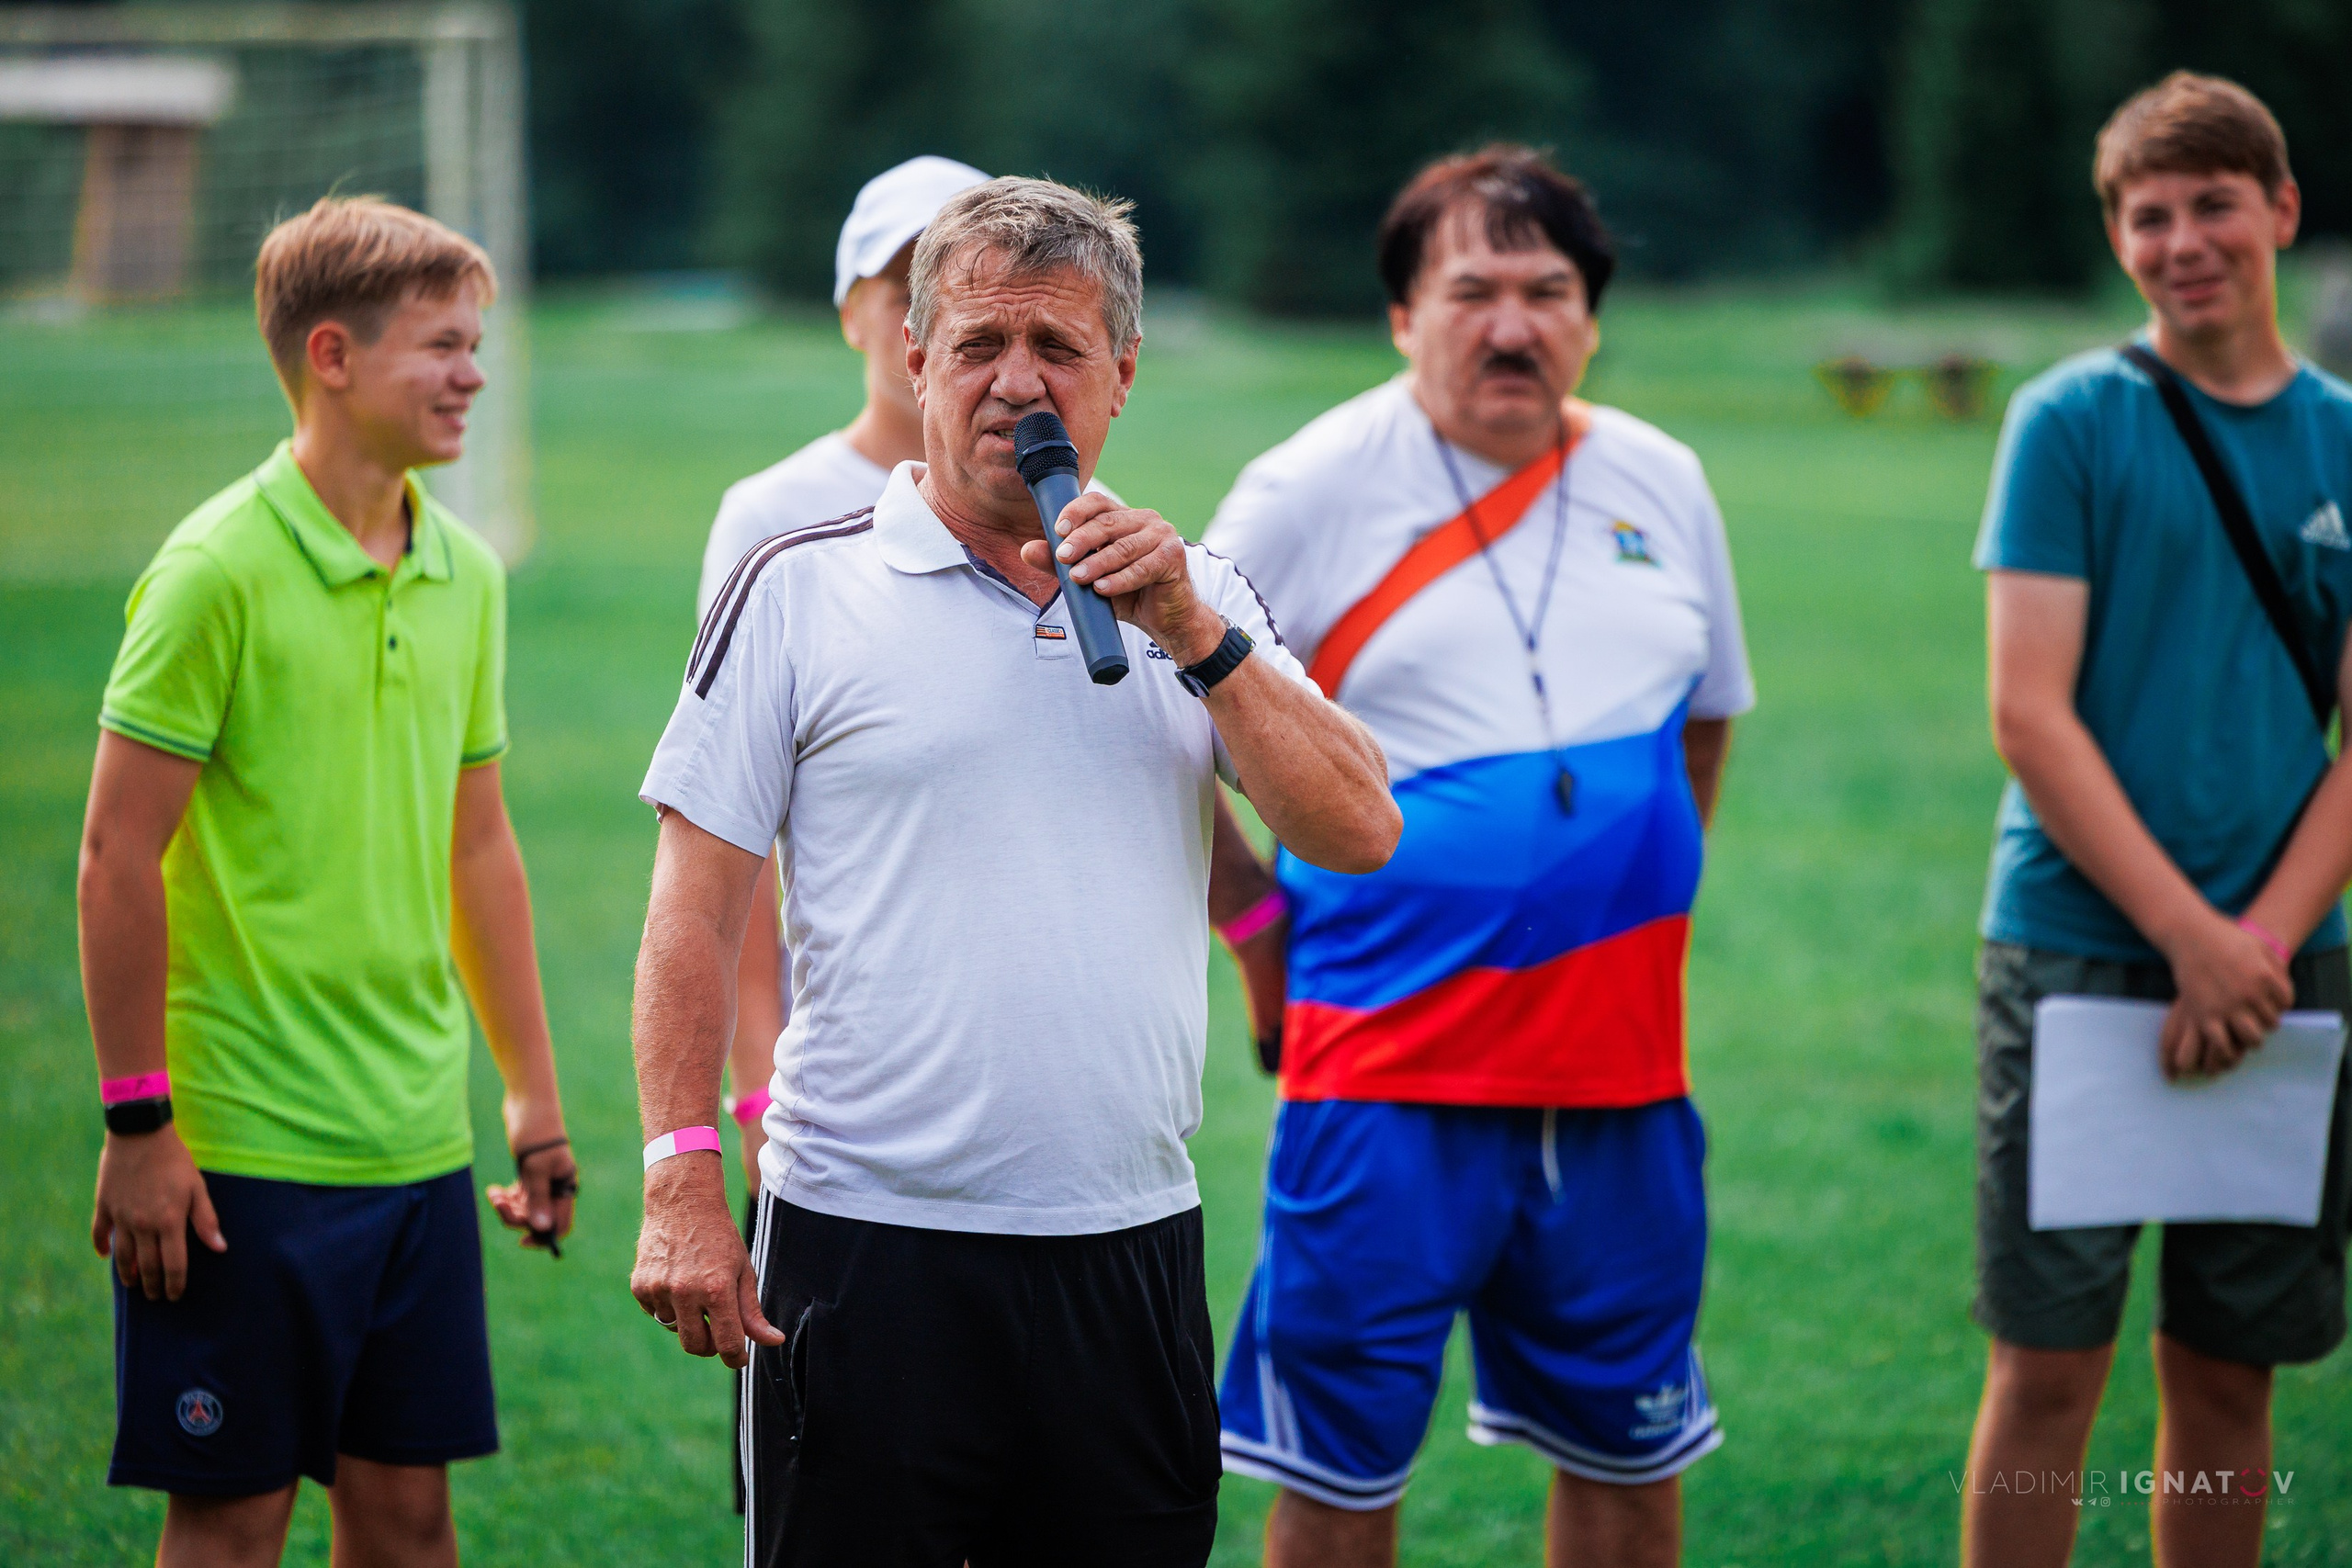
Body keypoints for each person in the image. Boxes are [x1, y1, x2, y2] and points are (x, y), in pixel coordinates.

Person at [628, 176, 1399, 1567]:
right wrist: (683, 1180)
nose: (1017, 381)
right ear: (916, 358)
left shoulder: (1198, 592)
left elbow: (1359, 829)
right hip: (863, 1242)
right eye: (980, 343)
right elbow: (691, 910)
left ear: (1123, 375)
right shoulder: (797, 587)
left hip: (1127, 1241)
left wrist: (1193, 634)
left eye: (1058, 346)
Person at [1201, 145, 1754, 1568]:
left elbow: (1705, 725)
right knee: (1336, 1474)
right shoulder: (1306, 489)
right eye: (1472, 292)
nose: (1513, 327)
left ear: (1592, 316)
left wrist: (1620, 887)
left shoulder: (1664, 479)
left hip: (1625, 1080)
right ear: (1403, 316)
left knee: (1630, 1460)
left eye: (1548, 292)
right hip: (1384, 1082)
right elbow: (1157, 744)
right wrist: (1257, 932)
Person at [79, 196, 578, 1568]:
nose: (473, 375)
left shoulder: (466, 573)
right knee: (234, 1524)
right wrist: (139, 1123)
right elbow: (115, 856)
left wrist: (530, 1098)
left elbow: (479, 847)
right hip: (241, 1147)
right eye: (442, 346)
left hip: (417, 1143)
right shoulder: (213, 572)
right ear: (334, 357)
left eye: (475, 345)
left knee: (411, 1526)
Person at [1963, 73, 2352, 1568]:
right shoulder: (2069, 420)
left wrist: (2256, 945)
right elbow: (2029, 713)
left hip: (2283, 967)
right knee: (2049, 1370)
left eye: (2214, 205)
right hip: (2076, 948)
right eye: (2148, 216)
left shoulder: (2343, 439)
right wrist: (2193, 938)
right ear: (2117, 237)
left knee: (2230, 1373)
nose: (2183, 242)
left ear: (2283, 211)